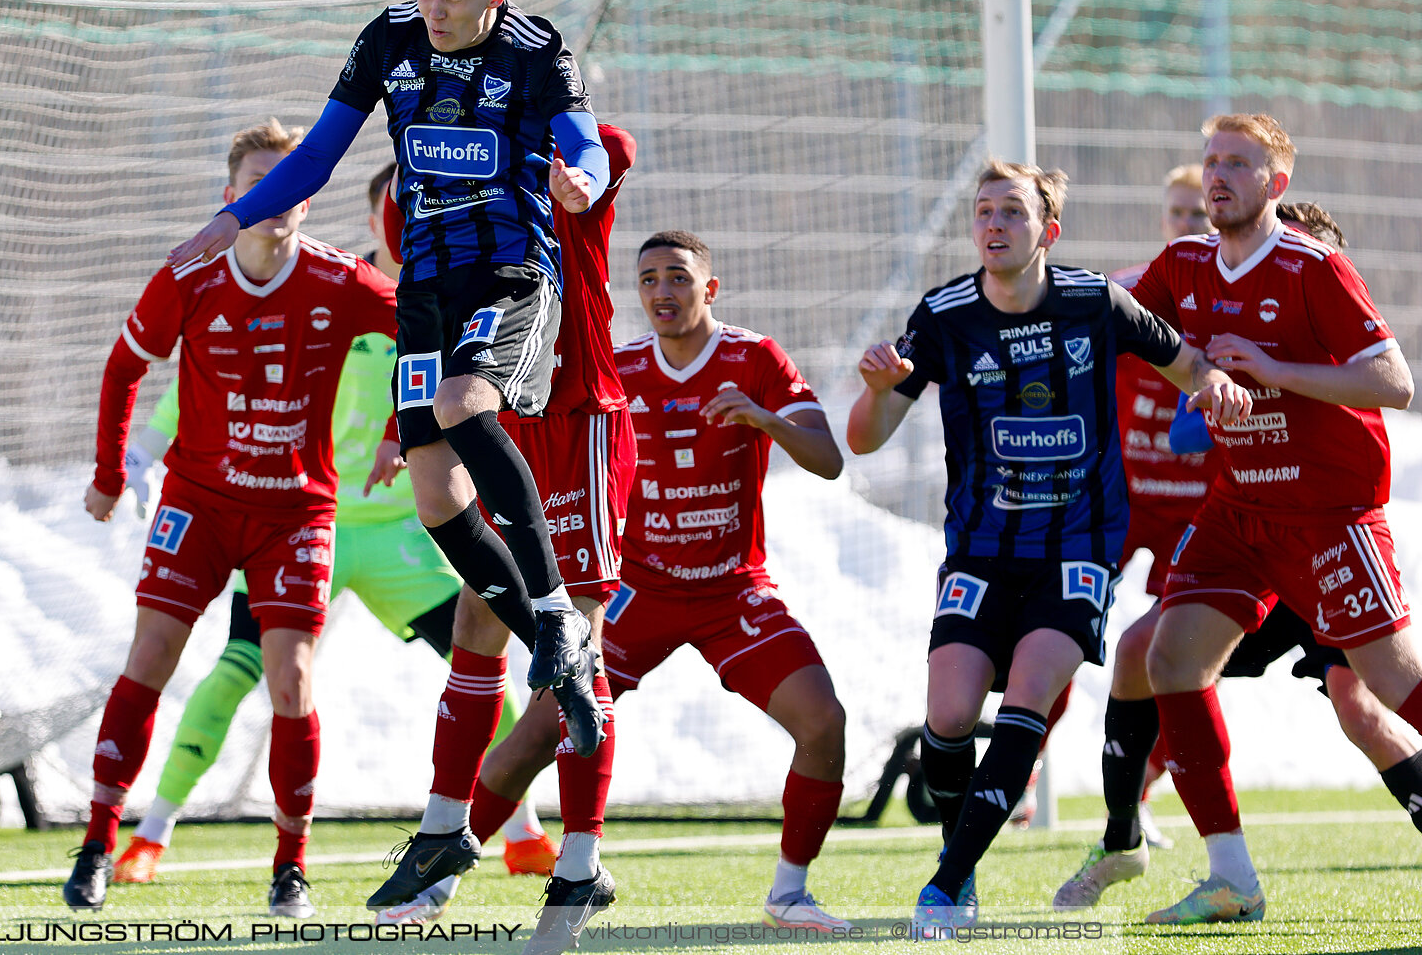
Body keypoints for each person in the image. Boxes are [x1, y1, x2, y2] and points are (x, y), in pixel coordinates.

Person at [168, 0, 613, 761]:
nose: (435, 10)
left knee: (462, 401)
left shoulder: (535, 48)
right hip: (429, 291)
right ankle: (564, 665)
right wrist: (235, 219)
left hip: (514, 275)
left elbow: (584, 143)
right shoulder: (390, 40)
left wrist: (582, 183)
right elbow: (317, 153)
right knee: (438, 497)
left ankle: (556, 615)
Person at [109, 164, 554, 885]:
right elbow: (225, 382)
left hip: (396, 538)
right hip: (293, 522)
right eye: (404, 205)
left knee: (479, 663)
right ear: (379, 214)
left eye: (431, 205)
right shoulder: (334, 290)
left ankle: (521, 829)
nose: (418, 218)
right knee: (236, 675)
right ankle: (152, 832)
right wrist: (140, 453)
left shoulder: (452, 304)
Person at [846, 160, 1250, 933]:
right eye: (983, 211)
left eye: (1012, 213)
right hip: (980, 550)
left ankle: (946, 884)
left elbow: (1184, 361)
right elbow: (865, 442)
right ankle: (955, 860)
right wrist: (875, 388)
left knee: (1030, 695)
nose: (994, 224)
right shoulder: (943, 316)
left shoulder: (1095, 301)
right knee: (951, 715)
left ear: (1047, 230)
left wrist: (1214, 384)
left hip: (1077, 547)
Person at [409, 230, 850, 938]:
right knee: (532, 738)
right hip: (635, 590)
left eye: (678, 277)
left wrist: (764, 418)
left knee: (824, 722)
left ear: (711, 288)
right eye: (648, 280)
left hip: (731, 588)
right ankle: (434, 886)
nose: (662, 292)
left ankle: (789, 893)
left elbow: (828, 459)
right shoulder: (617, 370)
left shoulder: (753, 358)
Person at [63, 120, 398, 917]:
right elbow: (123, 366)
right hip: (201, 503)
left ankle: (291, 867)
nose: (272, 196)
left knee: (292, 678)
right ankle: (97, 845)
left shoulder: (342, 282)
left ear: (305, 200)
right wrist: (112, 472)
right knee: (152, 654)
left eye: (286, 182)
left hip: (295, 511)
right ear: (231, 196)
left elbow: (424, 330)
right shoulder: (191, 276)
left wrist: (400, 429)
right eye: (256, 182)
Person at [1055, 194, 1422, 909]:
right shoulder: (1198, 300)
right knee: (1148, 653)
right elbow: (1177, 400)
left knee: (1365, 705)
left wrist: (1266, 375)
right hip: (1247, 532)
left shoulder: (1323, 311)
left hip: (1321, 533)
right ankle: (1145, 841)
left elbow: (1389, 385)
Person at [368, 127, 638, 955]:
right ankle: (445, 849)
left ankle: (577, 862)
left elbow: (614, 146)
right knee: (475, 633)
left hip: (579, 424)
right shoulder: (440, 223)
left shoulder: (538, 182)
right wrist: (398, 426)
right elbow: (436, 331)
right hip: (501, 433)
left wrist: (569, 168)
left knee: (573, 663)